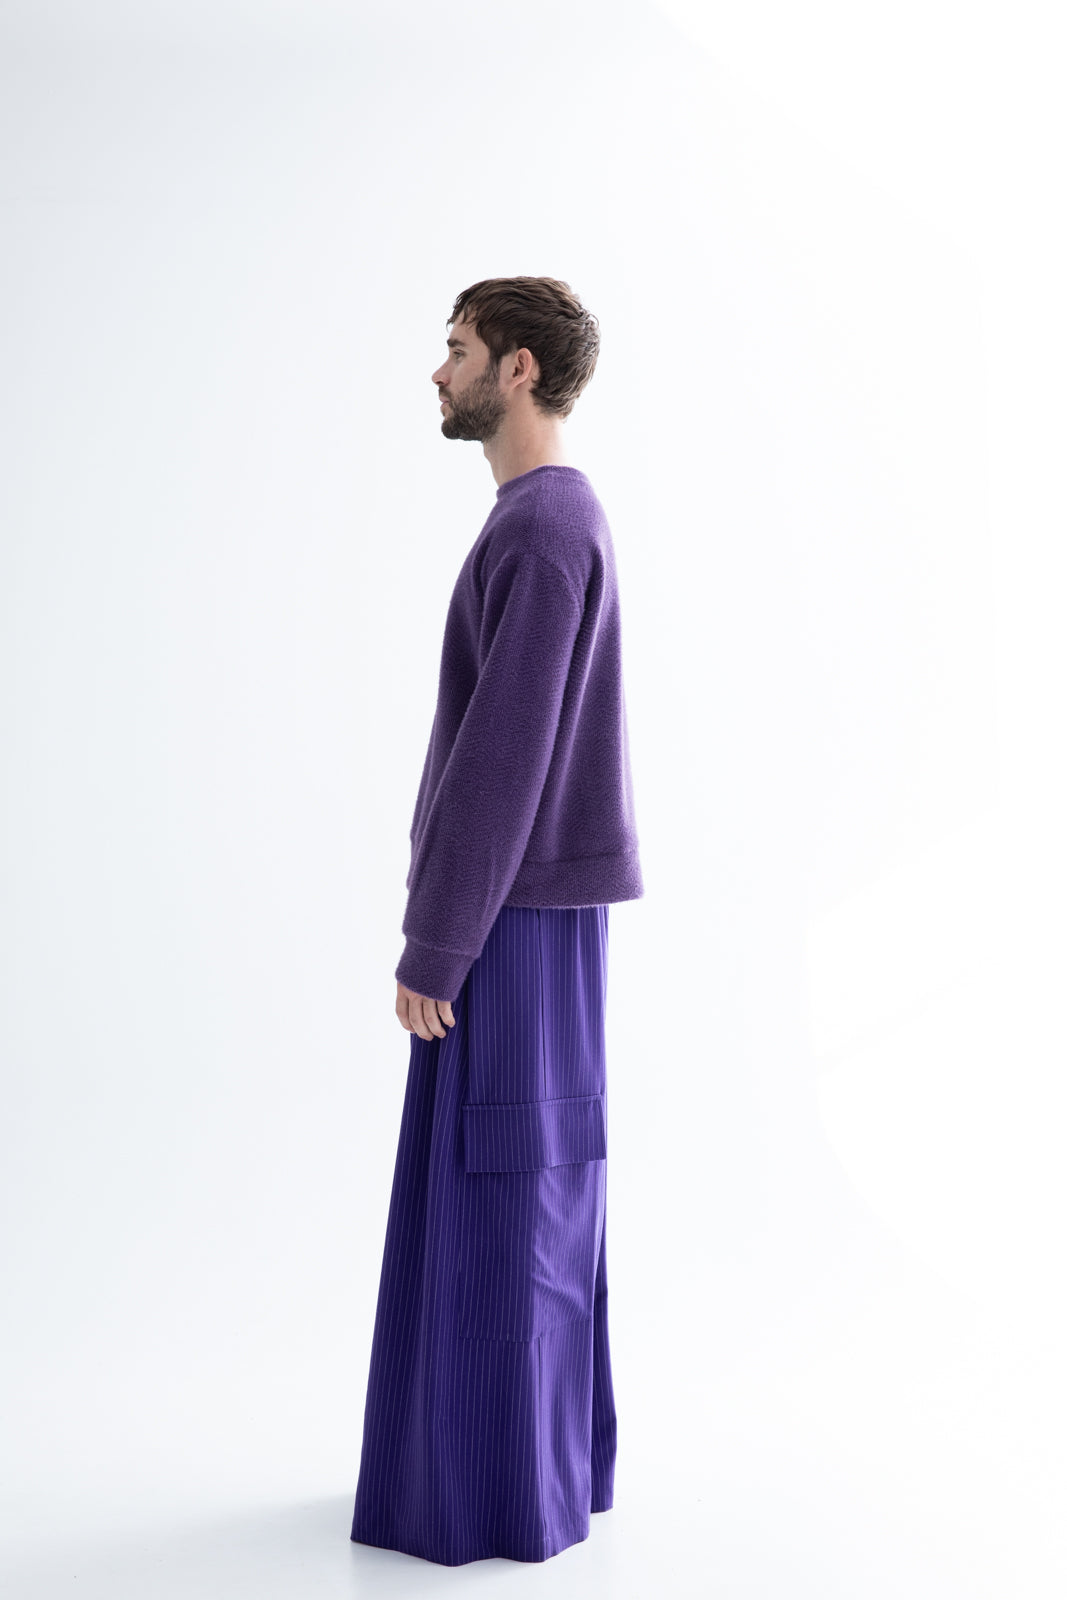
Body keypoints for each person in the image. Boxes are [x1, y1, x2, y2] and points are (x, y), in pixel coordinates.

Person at [350, 275, 643, 1566]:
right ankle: (509, 1479)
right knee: (520, 1192)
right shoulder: (543, 521)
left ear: (518, 370)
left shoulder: (545, 527)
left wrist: (438, 941)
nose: (440, 370)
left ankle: (498, 1499)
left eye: (458, 348)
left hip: (514, 923)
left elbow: (501, 761)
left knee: (508, 1197)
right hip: (523, 918)